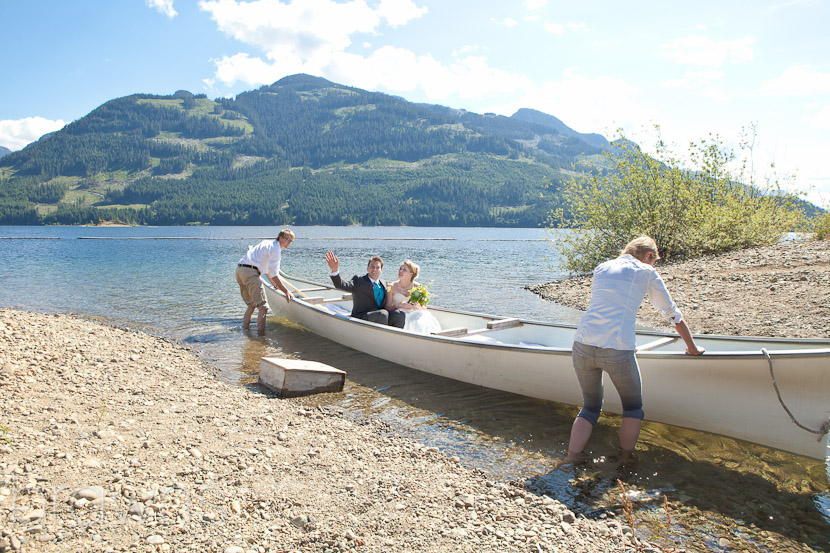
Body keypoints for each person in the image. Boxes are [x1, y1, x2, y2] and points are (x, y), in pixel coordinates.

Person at [566, 236, 704, 463]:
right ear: (649, 255)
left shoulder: (602, 267)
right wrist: (692, 347)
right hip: (617, 350)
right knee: (632, 407)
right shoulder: (646, 272)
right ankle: (624, 460)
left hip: (582, 345)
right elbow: (671, 313)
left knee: (590, 407)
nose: (653, 265)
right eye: (654, 260)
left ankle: (571, 458)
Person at [236, 229, 295, 335]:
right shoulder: (276, 249)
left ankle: (245, 331)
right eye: (288, 240)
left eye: (291, 241)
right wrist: (286, 292)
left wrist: (275, 285)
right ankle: (261, 338)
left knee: (251, 305)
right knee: (263, 307)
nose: (289, 243)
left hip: (240, 270)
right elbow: (274, 274)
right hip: (250, 272)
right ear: (280, 238)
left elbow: (267, 271)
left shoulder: (267, 242)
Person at [325, 251, 405, 328]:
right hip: (361, 317)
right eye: (372, 267)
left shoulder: (384, 283)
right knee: (383, 313)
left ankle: (394, 338)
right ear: (367, 268)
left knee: (399, 314)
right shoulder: (359, 281)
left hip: (380, 317)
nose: (374, 269)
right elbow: (341, 285)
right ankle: (380, 339)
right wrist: (335, 271)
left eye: (378, 267)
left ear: (381, 270)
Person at [384, 259, 441, 334]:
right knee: (410, 321)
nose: (400, 271)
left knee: (421, 317)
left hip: (414, 312)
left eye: (404, 270)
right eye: (400, 268)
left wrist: (417, 306)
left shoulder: (418, 287)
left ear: (411, 273)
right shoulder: (390, 286)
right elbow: (387, 307)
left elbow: (424, 307)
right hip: (400, 315)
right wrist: (399, 305)